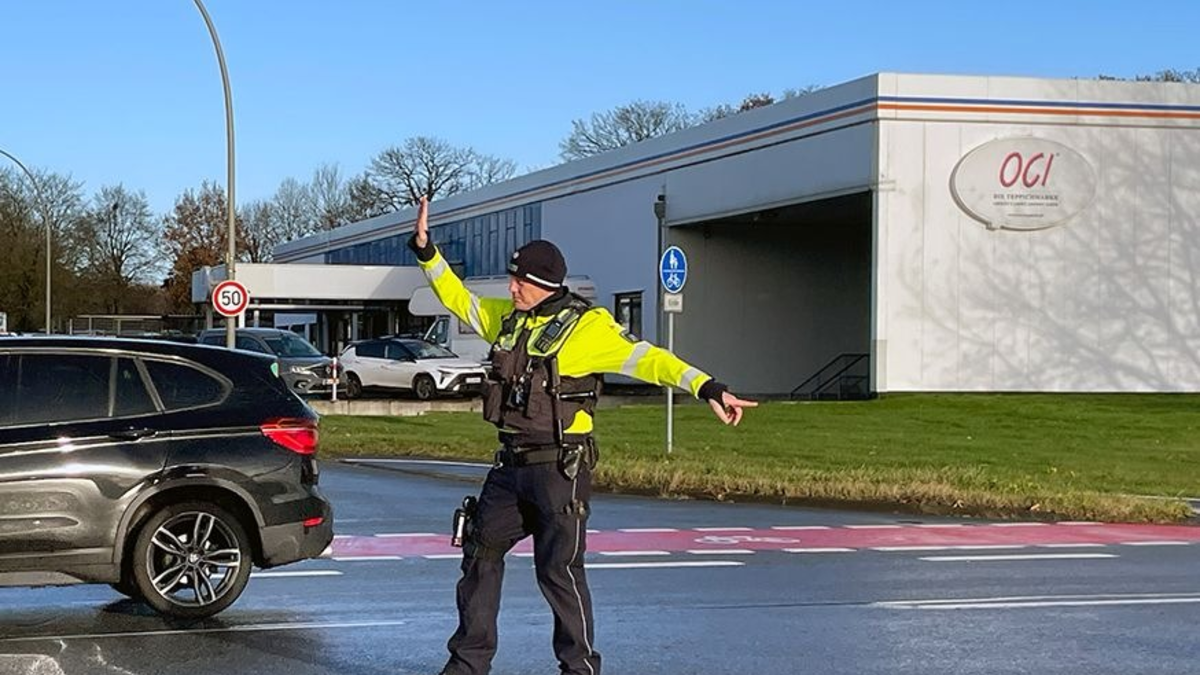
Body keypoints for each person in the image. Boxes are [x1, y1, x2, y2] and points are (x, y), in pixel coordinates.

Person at [410, 196, 756, 675]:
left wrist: (707, 386)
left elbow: (651, 359)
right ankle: (468, 664)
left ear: (543, 284)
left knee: (559, 573)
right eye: (511, 280)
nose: (511, 288)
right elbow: (456, 297)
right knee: (479, 553)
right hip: (510, 467)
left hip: (560, 469)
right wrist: (427, 252)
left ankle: (579, 668)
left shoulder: (588, 328)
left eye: (520, 282)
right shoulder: (509, 319)